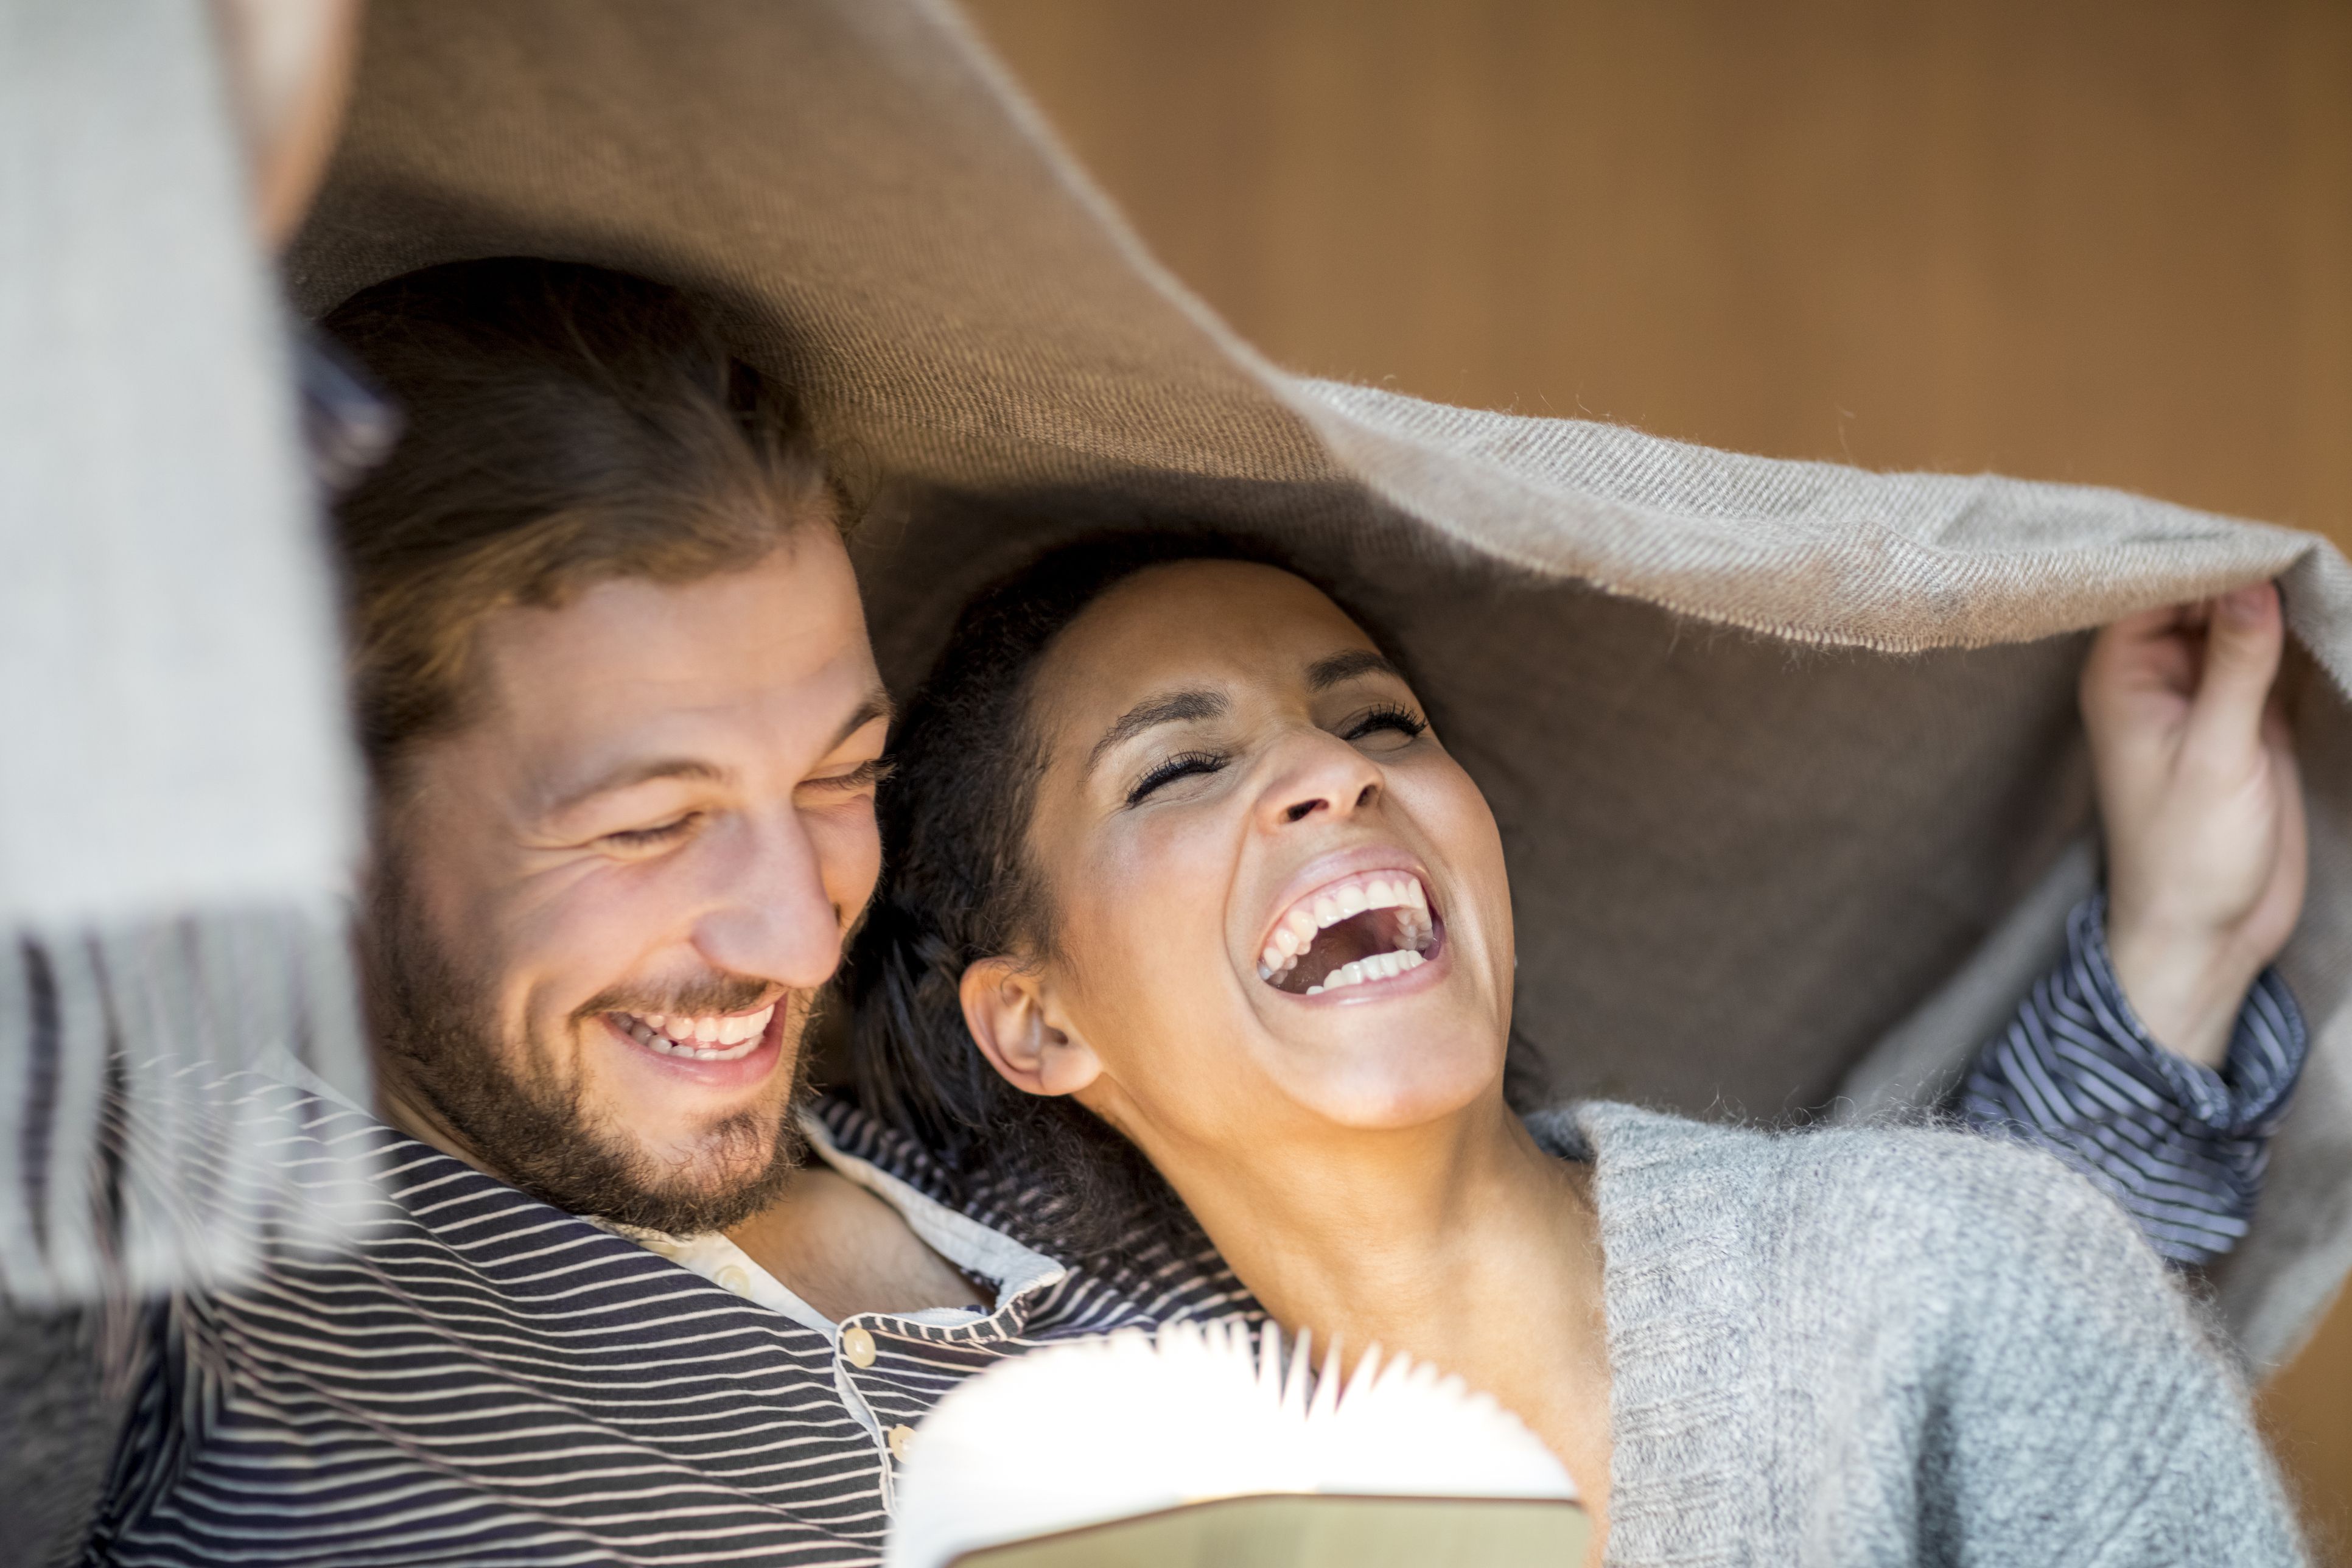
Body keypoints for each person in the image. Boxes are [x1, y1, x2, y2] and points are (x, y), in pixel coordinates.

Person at [80, 256, 2303, 1563]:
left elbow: (1819, 1381)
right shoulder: (159, 1278)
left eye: (838, 775)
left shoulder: (1091, 1228)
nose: (788, 922)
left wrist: (2163, 982)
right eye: (651, 817)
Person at [844, 534, 2310, 1563]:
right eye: (1181, 766)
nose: (1332, 770)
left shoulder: (1942, 1280)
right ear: (1036, 1023)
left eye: (1383, 722)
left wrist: (2181, 946)